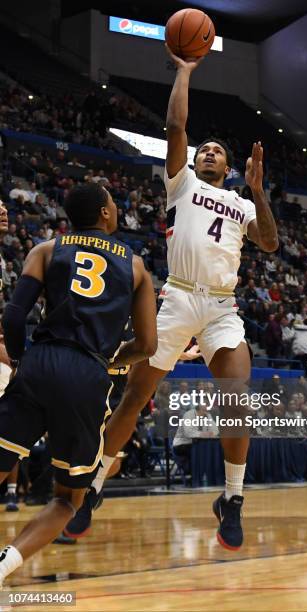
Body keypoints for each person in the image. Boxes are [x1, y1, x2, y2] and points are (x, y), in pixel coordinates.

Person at [66, 47, 279, 551]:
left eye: (216, 151)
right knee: (135, 398)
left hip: (222, 308)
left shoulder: (243, 202)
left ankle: (231, 499)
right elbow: (176, 128)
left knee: (237, 401)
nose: (208, 152)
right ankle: (93, 489)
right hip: (179, 299)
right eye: (204, 148)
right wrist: (183, 72)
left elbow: (269, 242)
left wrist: (259, 190)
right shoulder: (180, 183)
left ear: (228, 167)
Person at [0, 182, 157, 585]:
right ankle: (4, 566)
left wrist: (20, 361)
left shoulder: (47, 249)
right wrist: (110, 360)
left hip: (41, 362)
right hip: (88, 374)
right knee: (68, 500)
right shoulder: (136, 266)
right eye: (112, 203)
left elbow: (14, 318)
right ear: (105, 213)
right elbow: (147, 345)